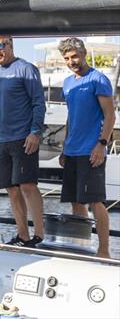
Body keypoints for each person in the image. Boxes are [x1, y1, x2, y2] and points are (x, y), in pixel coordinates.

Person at [0, 36, 46, 247]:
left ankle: (39, 235)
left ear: (10, 45)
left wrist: (35, 132)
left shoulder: (26, 69)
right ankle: (23, 235)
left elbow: (39, 103)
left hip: (23, 138)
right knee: (11, 189)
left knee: (27, 186)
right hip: (2, 140)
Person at [58, 37, 114, 258]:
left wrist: (101, 145)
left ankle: (103, 251)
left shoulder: (98, 79)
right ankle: (81, 247)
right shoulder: (68, 83)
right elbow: (71, 117)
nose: (71, 61)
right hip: (72, 150)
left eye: (74, 56)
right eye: (67, 58)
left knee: (95, 201)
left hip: (92, 150)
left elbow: (110, 115)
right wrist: (65, 146)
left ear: (83, 54)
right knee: (76, 201)